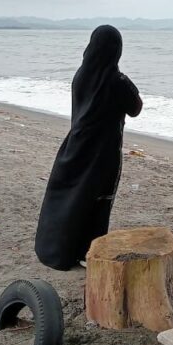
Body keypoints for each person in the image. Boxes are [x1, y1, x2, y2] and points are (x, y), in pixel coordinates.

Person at [34, 26, 143, 270]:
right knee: (97, 201)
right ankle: (87, 250)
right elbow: (135, 108)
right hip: (103, 151)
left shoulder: (81, 75)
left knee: (70, 197)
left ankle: (57, 250)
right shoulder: (116, 80)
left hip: (75, 145)